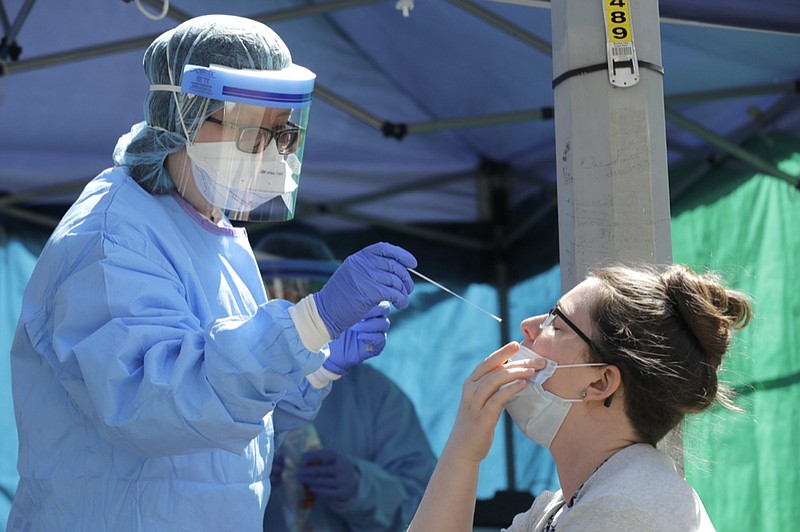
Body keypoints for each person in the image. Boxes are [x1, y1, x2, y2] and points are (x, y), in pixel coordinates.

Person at [7, 15, 418, 532]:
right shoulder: (111, 235)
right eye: (253, 128)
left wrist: (315, 367)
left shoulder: (218, 232)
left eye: (284, 133)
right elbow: (152, 402)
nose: (272, 153)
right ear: (185, 112)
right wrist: (310, 322)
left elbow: (236, 420)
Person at [408, 263, 752, 531]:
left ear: (601, 381)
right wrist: (463, 451)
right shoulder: (559, 509)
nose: (529, 324)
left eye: (556, 323)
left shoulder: (620, 510)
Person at [257, 232, 437, 531]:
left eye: (308, 292)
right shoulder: (233, 382)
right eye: (276, 292)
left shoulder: (377, 397)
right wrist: (248, 469)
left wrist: (360, 487)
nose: (293, 307)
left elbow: (429, 507)